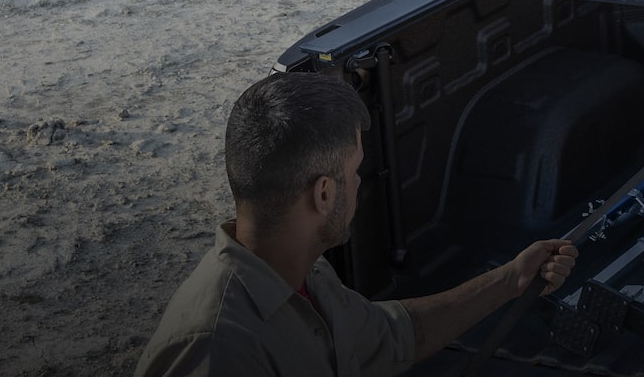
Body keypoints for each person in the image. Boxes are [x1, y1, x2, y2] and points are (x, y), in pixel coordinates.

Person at [138, 72, 578, 376]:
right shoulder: (215, 349)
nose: (360, 184)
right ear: (324, 193)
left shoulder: (302, 271)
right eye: (356, 171)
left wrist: (512, 279)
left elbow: (399, 333)